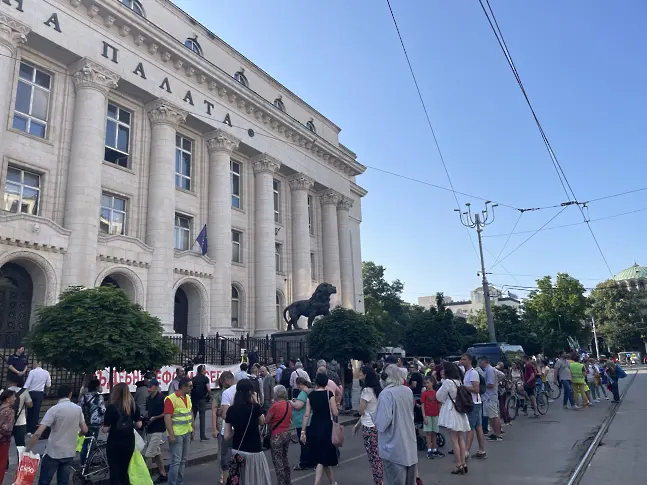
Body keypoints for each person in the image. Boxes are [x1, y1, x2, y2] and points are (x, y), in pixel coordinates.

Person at [28, 385, 87, 485]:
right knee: (63, 481)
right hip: (69, 452)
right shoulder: (77, 409)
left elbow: (39, 432)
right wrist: (78, 436)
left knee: (44, 481)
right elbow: (84, 429)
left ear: (58, 395)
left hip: (53, 452)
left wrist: (28, 449)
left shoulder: (54, 410)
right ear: (70, 394)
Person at [374, 360, 417, 485]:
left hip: (393, 449)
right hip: (409, 446)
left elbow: (382, 423)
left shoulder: (386, 394)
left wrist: (373, 417)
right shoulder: (407, 391)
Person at [224, 379, 272, 485]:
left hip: (237, 450)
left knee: (239, 480)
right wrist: (256, 401)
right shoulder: (255, 407)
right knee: (255, 479)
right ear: (250, 392)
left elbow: (226, 436)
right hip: (254, 450)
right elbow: (263, 421)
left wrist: (237, 430)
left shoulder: (231, 410)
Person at [300, 372, 339, 485]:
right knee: (323, 457)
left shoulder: (310, 396)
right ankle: (317, 481)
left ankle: (332, 482)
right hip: (327, 427)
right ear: (326, 382)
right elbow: (335, 413)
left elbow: (307, 414)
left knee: (322, 455)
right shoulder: (329, 394)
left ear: (316, 382)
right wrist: (336, 406)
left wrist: (303, 431)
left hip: (314, 426)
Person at [101, 383, 142, 485]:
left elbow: (105, 429)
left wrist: (104, 427)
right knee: (125, 468)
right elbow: (139, 424)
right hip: (129, 441)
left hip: (114, 442)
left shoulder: (111, 408)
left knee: (114, 469)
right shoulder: (133, 406)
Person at [437, 362, 470, 475]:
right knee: (461, 437)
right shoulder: (459, 381)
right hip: (460, 410)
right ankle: (464, 463)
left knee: (454, 439)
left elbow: (439, 397)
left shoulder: (447, 382)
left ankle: (458, 464)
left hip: (451, 410)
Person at [352, 367, 384, 485]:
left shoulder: (366, 391)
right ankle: (381, 480)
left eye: (361, 372)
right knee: (378, 455)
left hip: (368, 427)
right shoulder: (378, 389)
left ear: (365, 375)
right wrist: (357, 424)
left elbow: (361, 411)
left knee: (373, 457)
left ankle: (379, 481)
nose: (359, 373)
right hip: (377, 425)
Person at [164, 377, 194, 485]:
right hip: (176, 434)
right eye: (190, 386)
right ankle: (172, 483)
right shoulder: (171, 399)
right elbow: (167, 417)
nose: (191, 388)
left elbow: (190, 413)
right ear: (183, 386)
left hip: (186, 432)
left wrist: (192, 428)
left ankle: (179, 482)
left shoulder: (188, 398)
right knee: (176, 461)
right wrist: (171, 435)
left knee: (183, 460)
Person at [460, 354, 486, 459]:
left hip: (473, 403)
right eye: (461, 359)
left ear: (470, 361)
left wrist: (463, 387)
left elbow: (476, 390)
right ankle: (481, 450)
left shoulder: (473, 373)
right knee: (478, 427)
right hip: (473, 402)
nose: (462, 361)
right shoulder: (466, 373)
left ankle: (466, 451)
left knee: (470, 427)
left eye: (464, 359)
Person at [265, 385, 292, 485]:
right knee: (285, 458)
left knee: (278, 461)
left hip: (277, 435)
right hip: (287, 433)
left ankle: (281, 482)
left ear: (276, 394)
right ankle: (288, 481)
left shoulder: (274, 406)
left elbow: (266, 420)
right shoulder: (288, 404)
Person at [77, 379, 105, 466]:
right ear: (97, 387)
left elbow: (79, 408)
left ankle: (84, 462)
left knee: (85, 443)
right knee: (90, 444)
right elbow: (103, 410)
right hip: (95, 424)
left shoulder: (84, 397)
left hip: (85, 423)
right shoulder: (99, 397)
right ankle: (87, 463)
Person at [214, 372, 235, 485]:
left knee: (227, 453)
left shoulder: (230, 392)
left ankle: (228, 476)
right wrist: (214, 428)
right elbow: (214, 412)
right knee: (223, 452)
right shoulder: (218, 395)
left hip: (228, 426)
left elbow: (223, 413)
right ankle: (223, 475)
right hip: (223, 426)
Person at [145, 379, 168, 483]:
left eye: (150, 386)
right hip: (150, 429)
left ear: (156, 387)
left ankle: (145, 478)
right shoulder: (148, 399)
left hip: (158, 429)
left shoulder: (162, 398)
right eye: (148, 386)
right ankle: (163, 474)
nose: (148, 389)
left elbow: (167, 413)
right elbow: (148, 412)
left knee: (148, 455)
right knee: (157, 454)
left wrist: (156, 417)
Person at [290, 377, 313, 471]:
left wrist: (291, 402)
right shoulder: (308, 391)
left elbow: (299, 406)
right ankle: (311, 462)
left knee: (304, 442)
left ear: (299, 384)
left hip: (302, 421)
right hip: (308, 421)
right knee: (308, 442)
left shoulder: (303, 392)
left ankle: (304, 463)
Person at [6, 374, 32, 456]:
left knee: (4, 445)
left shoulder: (3, 391)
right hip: (20, 422)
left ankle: (4, 464)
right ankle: (21, 463)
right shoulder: (24, 392)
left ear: (9, 381)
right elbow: (30, 404)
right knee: (20, 445)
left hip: (6, 422)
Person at [478, 356, 502, 442]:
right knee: (491, 416)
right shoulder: (487, 370)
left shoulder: (489, 370)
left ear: (484, 362)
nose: (479, 364)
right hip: (488, 396)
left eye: (480, 362)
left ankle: (498, 434)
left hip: (490, 396)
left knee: (494, 416)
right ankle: (495, 433)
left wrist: (481, 386)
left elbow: (491, 384)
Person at [421, 375, 444, 457]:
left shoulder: (436, 393)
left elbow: (439, 404)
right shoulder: (424, 394)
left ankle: (434, 449)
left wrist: (440, 414)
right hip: (428, 415)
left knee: (434, 433)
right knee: (428, 434)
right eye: (425, 383)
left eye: (428, 383)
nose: (426, 384)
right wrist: (424, 416)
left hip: (435, 415)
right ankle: (429, 450)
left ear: (432, 383)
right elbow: (423, 405)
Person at [24, 360, 50, 434]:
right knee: (36, 412)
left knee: (29, 411)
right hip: (40, 394)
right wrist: (46, 393)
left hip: (31, 393)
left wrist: (23, 392)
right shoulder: (46, 372)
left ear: (35, 364)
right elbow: (48, 384)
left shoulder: (32, 372)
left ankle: (28, 429)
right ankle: (33, 430)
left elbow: (27, 384)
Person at [0, 390, 16, 484]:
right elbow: (7, 429)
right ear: (8, 399)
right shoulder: (9, 411)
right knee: (1, 465)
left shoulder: (1, 408)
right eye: (13, 397)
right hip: (3, 441)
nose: (14, 399)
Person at [191, 365, 211, 441]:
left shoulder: (194, 379)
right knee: (202, 418)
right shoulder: (205, 379)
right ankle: (202, 436)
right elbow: (208, 389)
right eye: (205, 369)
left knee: (193, 417)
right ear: (202, 370)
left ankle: (191, 435)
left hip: (194, 400)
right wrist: (210, 397)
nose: (206, 371)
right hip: (202, 400)